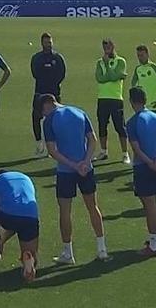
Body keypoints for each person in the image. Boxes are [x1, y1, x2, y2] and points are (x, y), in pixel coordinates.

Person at [41, 94, 110, 264]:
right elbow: (92, 140)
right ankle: (102, 249)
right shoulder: (79, 112)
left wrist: (73, 165)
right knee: (93, 207)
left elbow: (52, 151)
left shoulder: (49, 120)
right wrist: (85, 162)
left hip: (66, 172)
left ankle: (68, 253)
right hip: (86, 170)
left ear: (47, 105)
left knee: (65, 211)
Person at [126, 87, 156, 257]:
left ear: (131, 101)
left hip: (144, 168)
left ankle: (154, 245)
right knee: (153, 203)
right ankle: (154, 240)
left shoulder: (132, 122)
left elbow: (136, 149)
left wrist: (151, 163)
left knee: (150, 205)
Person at [0, 170, 39, 282]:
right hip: (31, 217)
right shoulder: (25, 178)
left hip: (9, 216)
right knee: (30, 252)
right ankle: (29, 259)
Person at [30, 32, 66, 158]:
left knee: (55, 120)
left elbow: (62, 74)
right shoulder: (36, 58)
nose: (49, 45)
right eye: (46, 42)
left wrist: (53, 84)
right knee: (36, 117)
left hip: (54, 93)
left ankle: (54, 146)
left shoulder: (58, 58)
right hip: (40, 92)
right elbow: (35, 73)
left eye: (50, 42)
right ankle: (39, 144)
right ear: (42, 43)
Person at [94, 39, 129, 164]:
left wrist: (108, 65)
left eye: (108, 47)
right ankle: (104, 151)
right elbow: (99, 78)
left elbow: (113, 77)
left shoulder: (120, 61)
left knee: (120, 127)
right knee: (102, 125)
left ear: (113, 46)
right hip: (102, 98)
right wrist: (111, 75)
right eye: (104, 48)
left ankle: (125, 153)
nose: (106, 50)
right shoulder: (99, 62)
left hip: (116, 98)